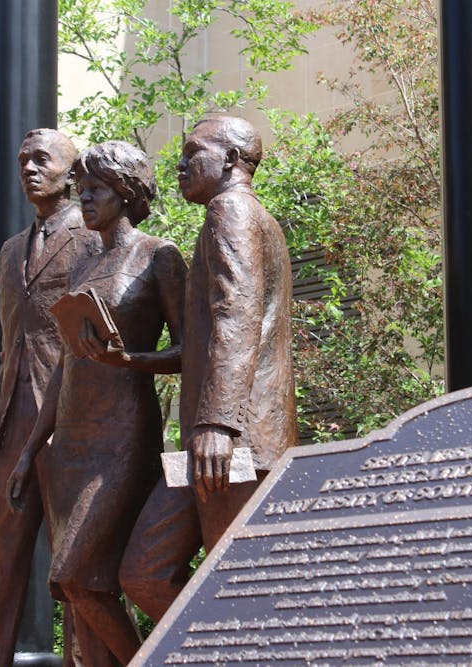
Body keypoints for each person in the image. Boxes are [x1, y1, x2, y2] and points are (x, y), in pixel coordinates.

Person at [7, 140, 187, 665]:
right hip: (74, 438)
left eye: (96, 190)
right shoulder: (86, 266)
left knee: (72, 575)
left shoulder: (160, 255)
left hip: (124, 435)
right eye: (81, 189)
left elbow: (189, 349)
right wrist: (28, 451)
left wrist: (130, 360)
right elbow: (66, 362)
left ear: (126, 194)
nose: (83, 199)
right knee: (85, 584)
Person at [119, 116, 299, 622]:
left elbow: (236, 317)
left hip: (234, 442)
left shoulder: (233, 211)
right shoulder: (229, 216)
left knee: (239, 590)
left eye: (193, 151)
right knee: (143, 572)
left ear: (232, 161)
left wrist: (218, 423)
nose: (179, 163)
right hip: (208, 444)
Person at [0, 129, 99, 667]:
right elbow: (10, 343)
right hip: (11, 422)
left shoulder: (93, 238)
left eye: (41, 159)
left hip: (71, 419)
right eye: (22, 160)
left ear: (71, 173)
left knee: (73, 565)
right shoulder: (7, 253)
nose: (28, 168)